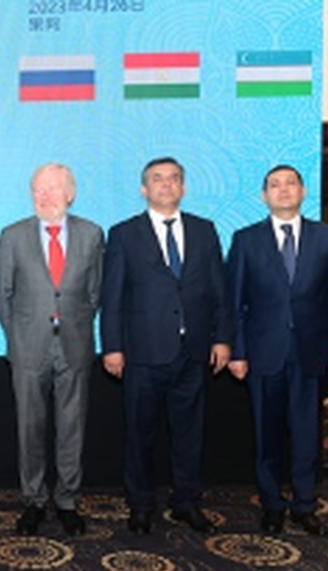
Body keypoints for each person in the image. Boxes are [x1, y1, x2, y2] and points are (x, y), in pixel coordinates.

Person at [100, 157, 232, 535]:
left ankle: (186, 502)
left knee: (190, 434)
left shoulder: (204, 231)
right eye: (157, 179)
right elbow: (113, 296)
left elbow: (219, 290)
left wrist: (223, 338)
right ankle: (141, 505)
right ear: (144, 189)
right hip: (142, 352)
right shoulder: (124, 234)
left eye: (174, 178)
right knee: (140, 434)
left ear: (183, 187)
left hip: (194, 351)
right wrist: (112, 346)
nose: (166, 184)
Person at [227, 164, 328, 536]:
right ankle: (272, 505)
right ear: (264, 196)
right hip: (262, 355)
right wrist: (237, 352)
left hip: (312, 355)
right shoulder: (246, 240)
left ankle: (304, 505)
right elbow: (234, 303)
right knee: (267, 437)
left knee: (306, 435)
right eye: (274, 185)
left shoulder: (327, 238)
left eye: (290, 183)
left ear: (302, 191)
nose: (283, 190)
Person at [0, 163, 103, 537]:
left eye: (53, 188)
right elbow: (3, 294)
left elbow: (95, 292)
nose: (44, 196)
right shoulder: (12, 235)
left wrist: (76, 324)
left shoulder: (92, 234)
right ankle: (34, 500)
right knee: (30, 427)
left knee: (73, 427)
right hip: (28, 348)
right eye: (38, 189)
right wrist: (18, 337)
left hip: (74, 344)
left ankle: (68, 500)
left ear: (70, 194)